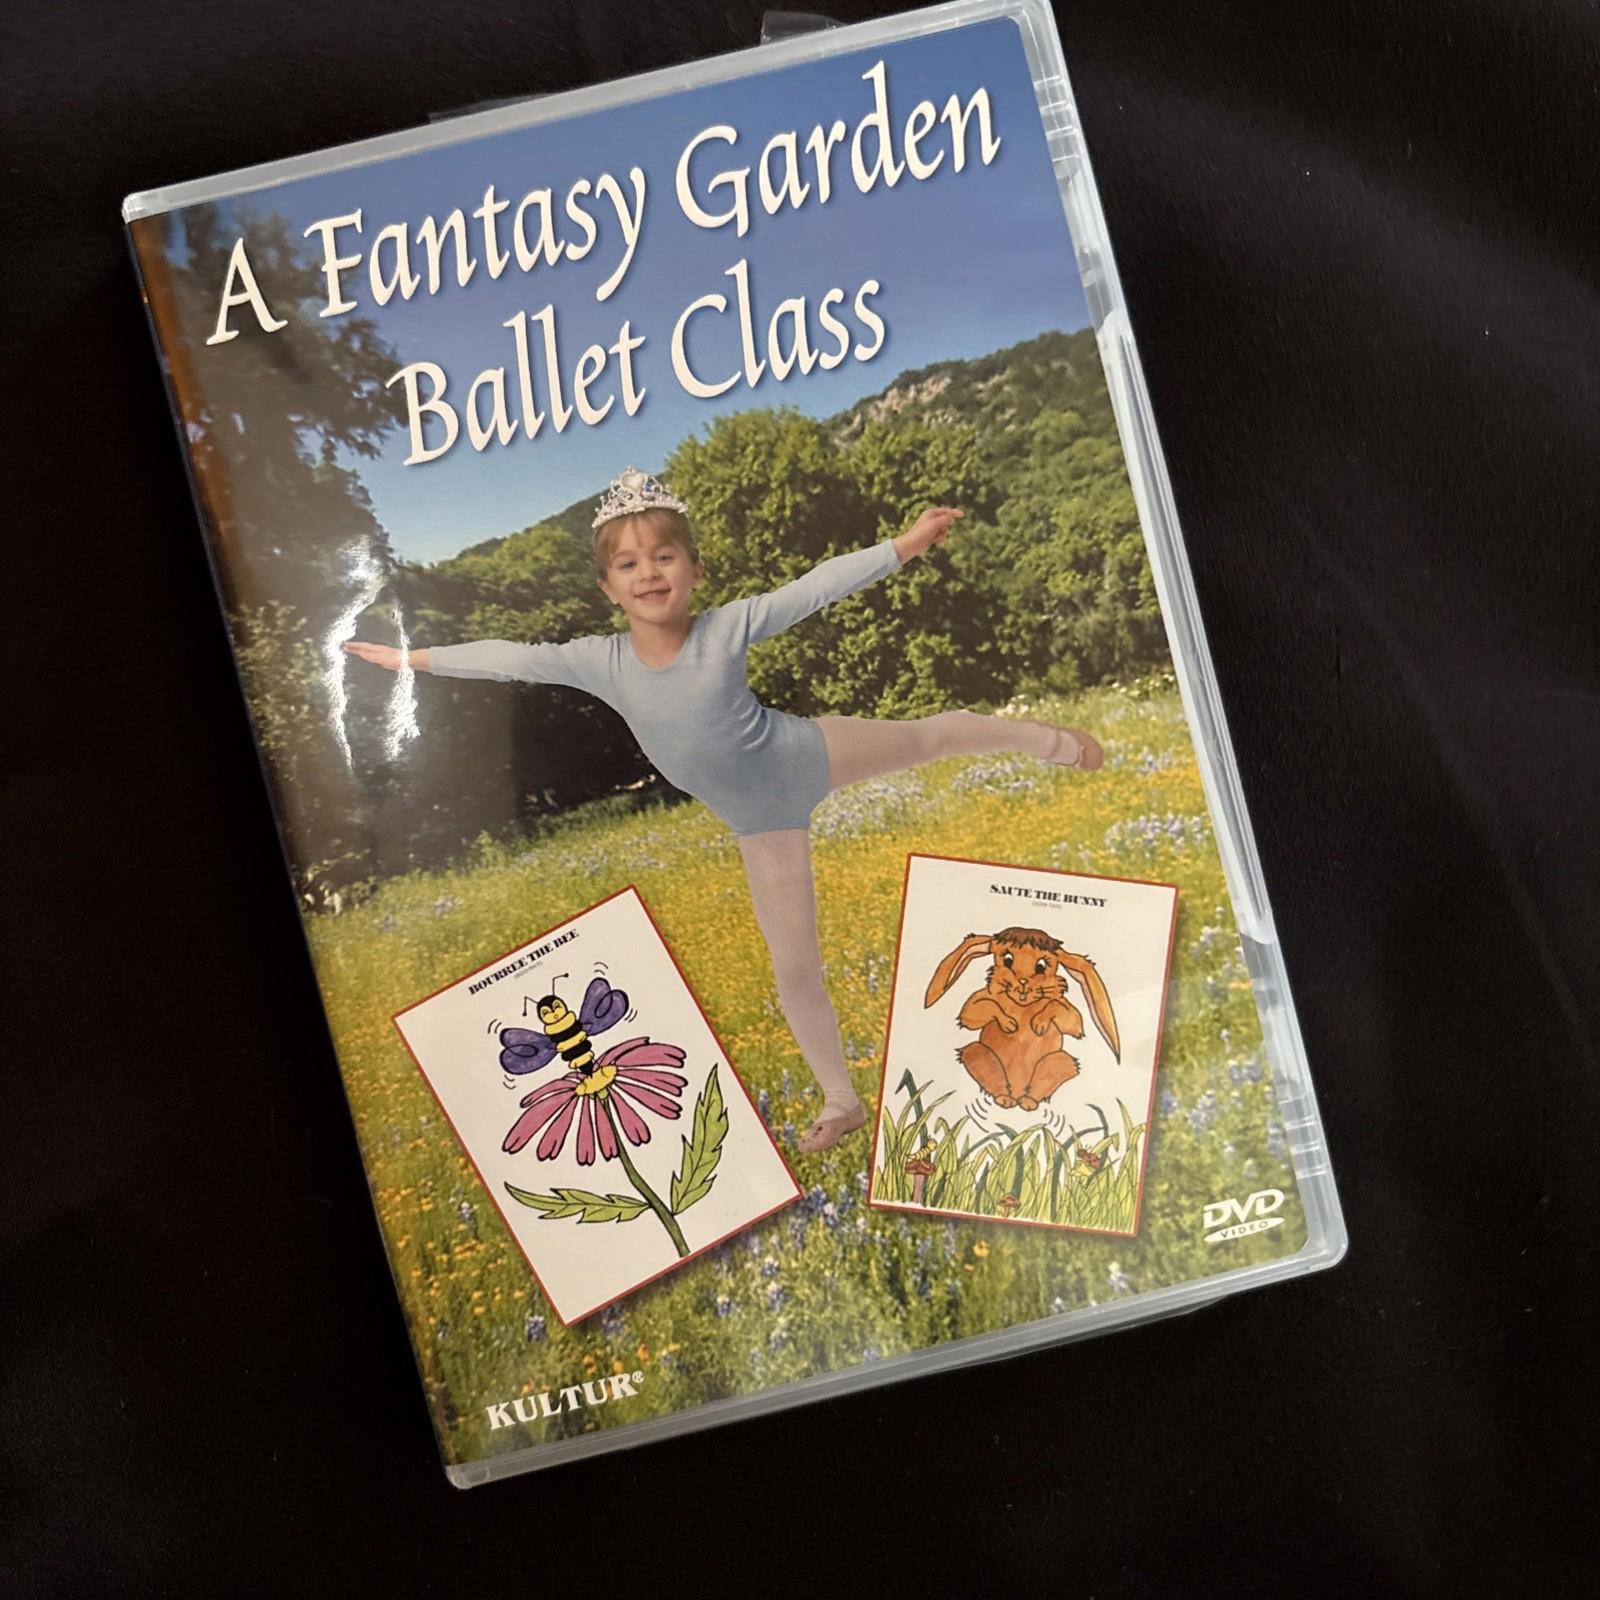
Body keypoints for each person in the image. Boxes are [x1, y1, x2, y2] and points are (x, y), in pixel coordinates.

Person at [345, 467, 1103, 1152]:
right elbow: (508, 657)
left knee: (931, 736)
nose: (649, 573)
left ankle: (1053, 744)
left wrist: (902, 547)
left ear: (695, 570)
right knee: (794, 964)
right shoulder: (598, 660)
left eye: (664, 556)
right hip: (759, 821)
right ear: (608, 588)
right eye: (629, 564)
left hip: (804, 754)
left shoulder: (726, 627)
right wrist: (411, 660)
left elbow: (813, 589)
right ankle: (841, 1102)